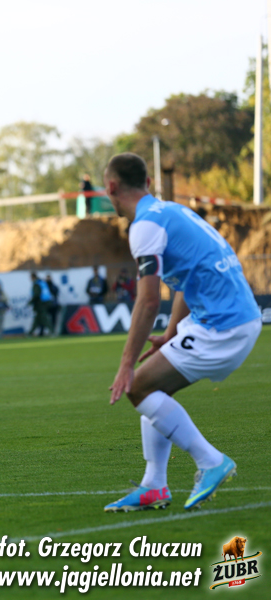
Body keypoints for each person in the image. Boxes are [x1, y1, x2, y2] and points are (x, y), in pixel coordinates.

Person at [103, 153, 261, 512]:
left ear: (111, 187)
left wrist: (126, 364)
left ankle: (210, 460)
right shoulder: (171, 212)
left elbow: (147, 301)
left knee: (139, 386)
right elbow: (185, 282)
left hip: (223, 325)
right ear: (147, 182)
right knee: (153, 387)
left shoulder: (144, 226)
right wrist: (171, 333)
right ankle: (154, 486)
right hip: (233, 318)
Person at [27, 272, 53, 337]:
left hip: (41, 304)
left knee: (44, 318)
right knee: (37, 319)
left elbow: (36, 295)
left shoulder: (36, 284)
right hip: (46, 302)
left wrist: (31, 302)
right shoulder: (41, 282)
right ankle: (30, 333)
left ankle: (52, 332)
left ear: (33, 277)